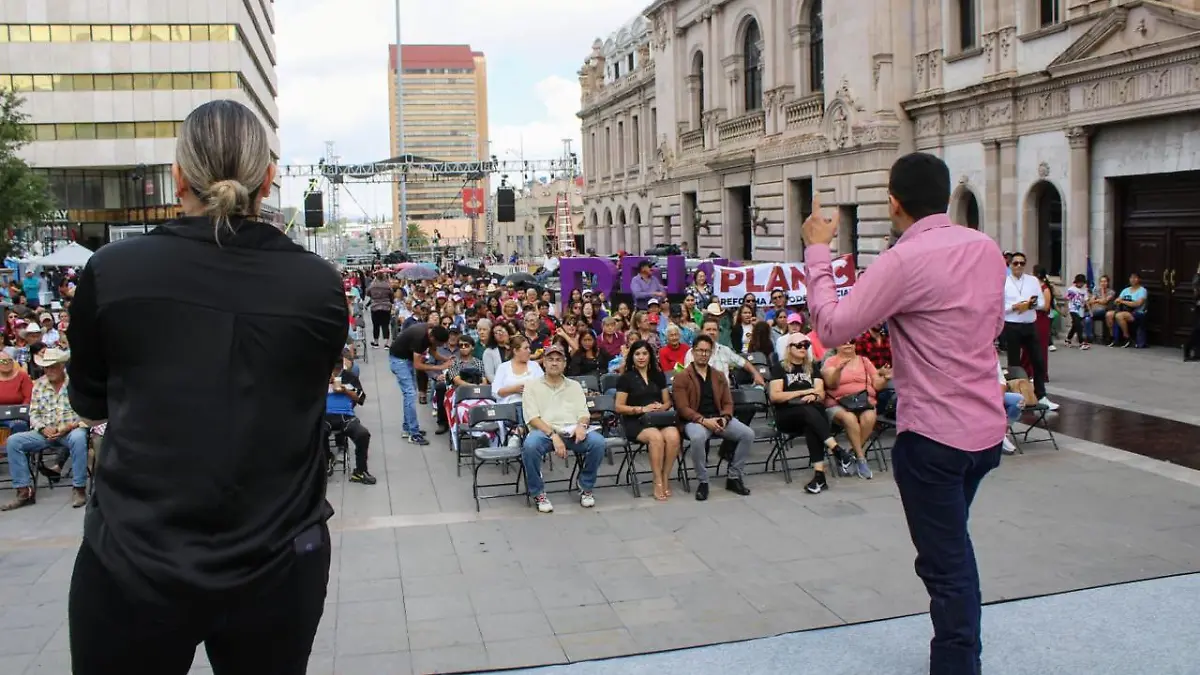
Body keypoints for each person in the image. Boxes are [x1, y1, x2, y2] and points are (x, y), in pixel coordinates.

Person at [64, 100, 348, 674]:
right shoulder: (317, 285)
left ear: (177, 177)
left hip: (132, 559)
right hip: (279, 562)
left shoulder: (114, 271)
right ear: (268, 180)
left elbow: (88, 400)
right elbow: (301, 397)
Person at [803, 152, 1006, 675]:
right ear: (945, 198)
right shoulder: (986, 249)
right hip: (984, 432)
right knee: (950, 548)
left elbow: (832, 328)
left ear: (893, 202)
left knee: (947, 564)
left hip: (934, 438)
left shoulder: (903, 260)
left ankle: (958, 664)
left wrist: (818, 250)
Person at [520, 344, 607, 513]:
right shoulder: (531, 386)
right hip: (545, 432)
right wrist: (553, 435)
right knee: (530, 446)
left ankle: (585, 485)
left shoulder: (574, 385)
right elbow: (532, 418)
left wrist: (582, 426)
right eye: (550, 359)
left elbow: (583, 412)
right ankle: (538, 492)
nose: (554, 363)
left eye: (558, 360)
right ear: (543, 363)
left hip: (572, 431)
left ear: (565, 363)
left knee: (598, 442)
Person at [671, 334, 756, 501]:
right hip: (695, 420)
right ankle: (703, 481)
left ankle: (734, 477)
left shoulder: (718, 375)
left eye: (707, 351)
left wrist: (724, 418)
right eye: (700, 351)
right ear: (693, 352)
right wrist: (703, 421)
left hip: (718, 418)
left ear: (711, 353)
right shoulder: (682, 377)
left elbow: (728, 402)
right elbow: (682, 408)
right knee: (697, 438)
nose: (703, 354)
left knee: (747, 434)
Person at [2, 348, 89, 510]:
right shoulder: (39, 384)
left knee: (78, 437)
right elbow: (33, 413)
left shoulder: (76, 383)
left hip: (69, 430)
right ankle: (24, 491)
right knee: (14, 441)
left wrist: (69, 427)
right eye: (46, 367)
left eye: (53, 367)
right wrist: (42, 428)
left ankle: (79, 488)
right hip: (44, 433)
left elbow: (87, 413)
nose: (49, 370)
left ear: (62, 366)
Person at [615, 340, 682, 501]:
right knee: (655, 437)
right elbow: (619, 407)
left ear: (650, 355)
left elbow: (668, 402)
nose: (641, 357)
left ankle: (665, 476)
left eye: (644, 353)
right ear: (632, 356)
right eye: (637, 354)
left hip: (658, 417)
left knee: (673, 436)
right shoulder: (626, 378)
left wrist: (661, 407)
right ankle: (657, 479)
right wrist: (641, 409)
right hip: (635, 420)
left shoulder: (657, 375)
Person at [1001, 253, 1057, 410]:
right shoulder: (1003, 281)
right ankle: (1016, 395)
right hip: (1012, 324)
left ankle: (1042, 395)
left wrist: (1031, 305)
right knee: (1014, 364)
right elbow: (998, 306)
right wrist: (1013, 307)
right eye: (1016, 263)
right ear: (1010, 265)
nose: (1019, 266)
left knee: (1038, 361)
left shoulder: (1032, 281)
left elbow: (1041, 302)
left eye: (1022, 263)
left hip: (1029, 324)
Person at [388, 322, 450, 446]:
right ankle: (414, 433)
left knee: (409, 394)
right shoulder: (419, 338)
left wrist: (447, 359)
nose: (439, 346)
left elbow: (433, 352)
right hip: (399, 360)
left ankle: (407, 428)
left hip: (406, 358)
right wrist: (440, 366)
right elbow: (418, 365)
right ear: (432, 338)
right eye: (439, 344)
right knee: (410, 394)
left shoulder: (431, 332)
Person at [325, 360, 375, 485]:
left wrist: (345, 390)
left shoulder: (349, 377)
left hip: (346, 415)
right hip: (325, 415)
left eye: (337, 371)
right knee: (318, 432)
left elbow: (361, 398)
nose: (335, 373)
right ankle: (327, 458)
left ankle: (360, 471)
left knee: (363, 434)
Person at [364, 271, 394, 348]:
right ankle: (387, 343)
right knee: (385, 324)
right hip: (386, 307)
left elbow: (367, 293)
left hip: (375, 306)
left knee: (376, 325)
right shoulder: (387, 285)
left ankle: (376, 342)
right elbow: (391, 294)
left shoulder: (373, 285)